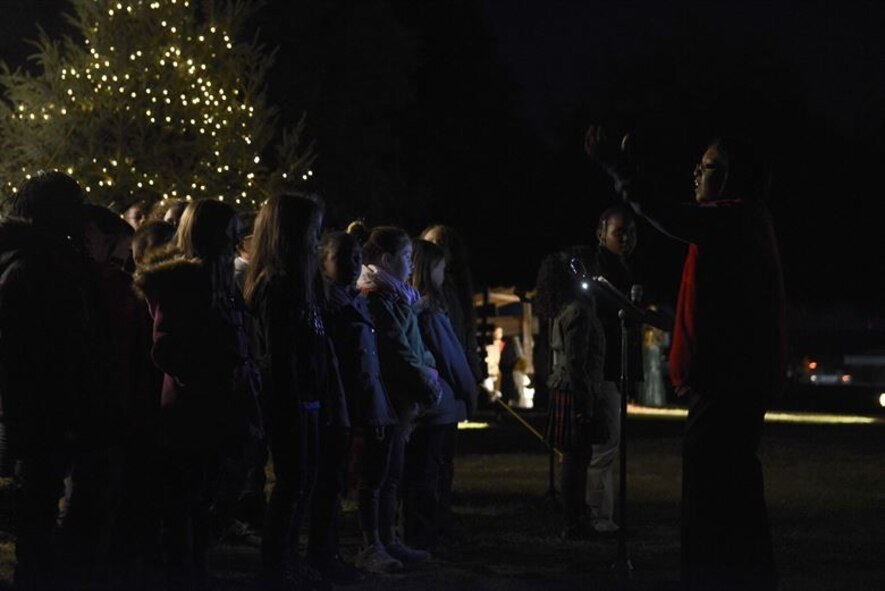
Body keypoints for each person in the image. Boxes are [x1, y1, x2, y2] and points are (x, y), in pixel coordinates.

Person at [587, 128, 786, 590]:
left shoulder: (734, 218)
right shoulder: (741, 223)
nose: (696, 174)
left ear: (736, 177)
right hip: (733, 380)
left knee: (710, 499)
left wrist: (620, 170)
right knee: (733, 495)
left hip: (726, 384)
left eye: (708, 167)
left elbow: (664, 214)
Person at [134, 199, 262, 590]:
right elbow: (167, 347)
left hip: (222, 403)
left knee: (212, 495)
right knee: (187, 499)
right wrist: (209, 376)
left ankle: (195, 566)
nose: (234, 242)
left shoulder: (222, 280)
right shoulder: (182, 283)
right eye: (228, 233)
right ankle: (184, 573)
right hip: (193, 409)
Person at [0, 171, 94, 589]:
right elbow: (29, 352)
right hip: (43, 409)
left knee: (42, 503)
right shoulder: (33, 267)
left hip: (51, 406)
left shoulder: (52, 262)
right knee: (37, 508)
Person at [244, 193, 339, 591]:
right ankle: (275, 565)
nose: (317, 239)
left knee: (304, 481)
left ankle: (289, 560)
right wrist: (296, 395)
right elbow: (278, 354)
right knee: (290, 483)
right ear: (290, 233)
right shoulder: (277, 286)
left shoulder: (302, 283)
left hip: (308, 396)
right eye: (312, 230)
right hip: (290, 400)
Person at [358, 226, 442, 565]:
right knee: (376, 474)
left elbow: (416, 346)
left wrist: (429, 372)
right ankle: (371, 543)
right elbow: (396, 349)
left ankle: (389, 539)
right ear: (387, 259)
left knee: (393, 473)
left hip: (404, 396)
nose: (410, 265)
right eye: (406, 258)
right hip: (388, 395)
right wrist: (427, 382)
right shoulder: (376, 297)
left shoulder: (398, 296)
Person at [320, 231, 402, 574]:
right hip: (347, 405)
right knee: (347, 481)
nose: (354, 263)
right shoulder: (328, 305)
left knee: (378, 474)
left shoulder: (357, 299)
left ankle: (378, 542)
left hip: (371, 399)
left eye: (357, 256)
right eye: (344, 257)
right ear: (324, 263)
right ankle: (356, 547)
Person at [409, 239, 478, 555]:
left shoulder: (415, 309)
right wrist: (469, 390)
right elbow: (452, 358)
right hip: (439, 405)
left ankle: (430, 528)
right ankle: (427, 531)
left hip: (429, 404)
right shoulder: (430, 313)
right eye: (439, 268)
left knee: (426, 470)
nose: (443, 274)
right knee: (431, 471)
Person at [539, 251, 607, 540]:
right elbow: (577, 361)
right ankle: (574, 521)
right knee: (577, 457)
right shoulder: (577, 311)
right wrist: (586, 401)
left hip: (568, 386)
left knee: (575, 457)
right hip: (575, 388)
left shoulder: (566, 308)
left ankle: (575, 518)